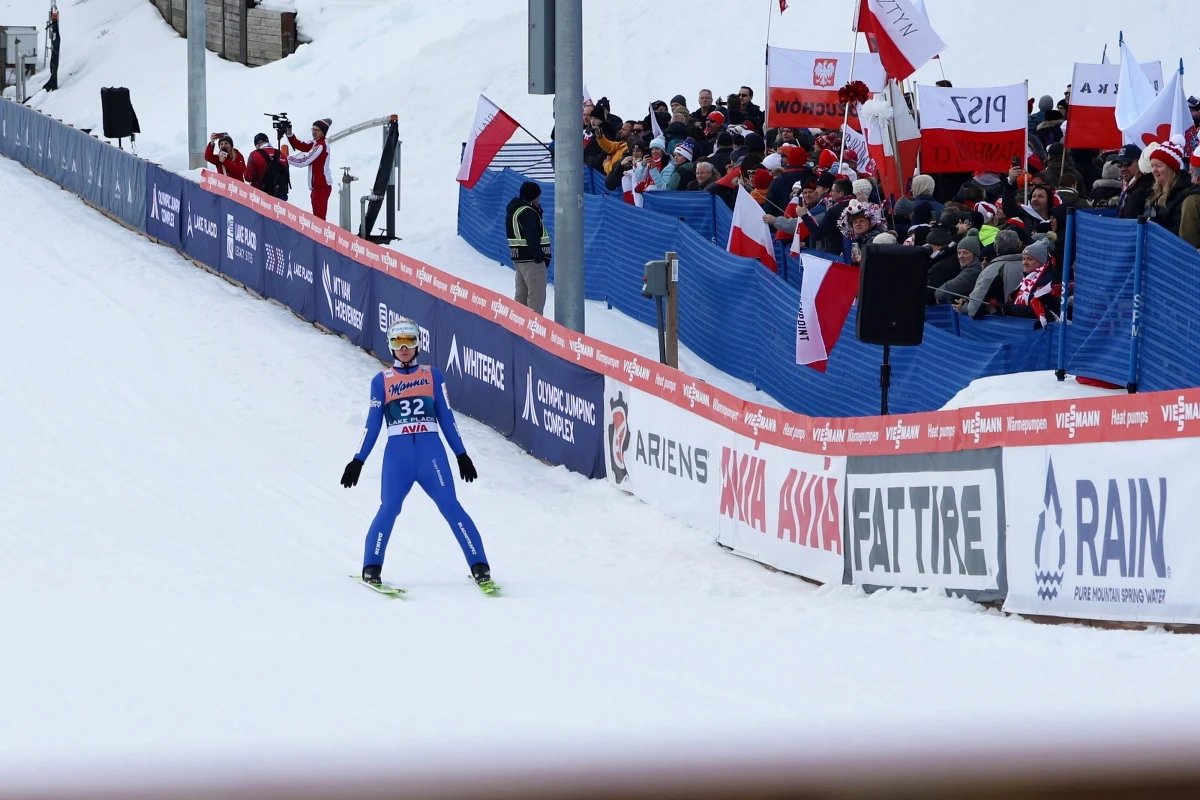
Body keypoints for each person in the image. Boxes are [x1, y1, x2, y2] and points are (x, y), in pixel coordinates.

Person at [339, 318, 495, 592]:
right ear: (390, 346)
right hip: (398, 458)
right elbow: (372, 424)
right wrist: (358, 460)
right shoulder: (381, 381)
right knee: (389, 508)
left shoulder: (433, 376)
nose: (404, 348)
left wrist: (461, 454)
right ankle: (371, 568)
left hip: (430, 455)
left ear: (418, 344)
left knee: (451, 506)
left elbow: (446, 417)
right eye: (398, 342)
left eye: (409, 341)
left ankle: (480, 566)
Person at [505, 181, 551, 314]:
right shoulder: (527, 212)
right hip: (532, 262)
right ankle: (534, 326)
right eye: (538, 197)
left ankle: (519, 323)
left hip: (519, 260)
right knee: (536, 299)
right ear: (532, 196)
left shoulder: (514, 210)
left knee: (521, 297)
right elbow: (532, 235)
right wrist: (540, 256)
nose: (539, 199)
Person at [287, 118, 333, 220]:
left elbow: (304, 161)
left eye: (316, 130)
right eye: (313, 129)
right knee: (317, 217)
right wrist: (289, 134)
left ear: (323, 132)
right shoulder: (315, 143)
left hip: (321, 187)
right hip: (317, 187)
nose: (313, 132)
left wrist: (288, 159)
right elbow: (301, 145)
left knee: (319, 219)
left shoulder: (321, 146)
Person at [243, 132, 290, 200]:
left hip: (261, 197)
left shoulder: (254, 154)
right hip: (280, 197)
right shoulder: (282, 155)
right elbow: (287, 175)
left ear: (257, 144)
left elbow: (248, 177)